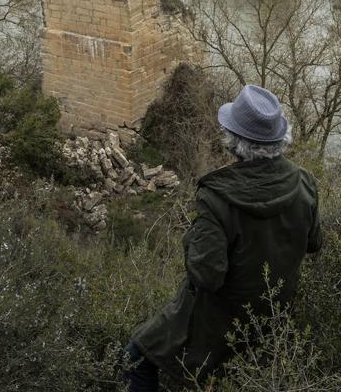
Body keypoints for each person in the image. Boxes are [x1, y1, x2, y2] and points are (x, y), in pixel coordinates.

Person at [123, 84, 323, 391]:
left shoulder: (217, 198)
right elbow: (314, 243)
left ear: (233, 142)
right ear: (280, 139)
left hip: (221, 323)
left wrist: (191, 238)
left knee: (135, 356)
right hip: (274, 318)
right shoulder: (304, 182)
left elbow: (206, 276)